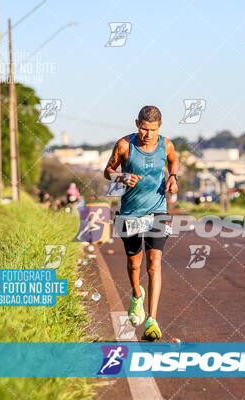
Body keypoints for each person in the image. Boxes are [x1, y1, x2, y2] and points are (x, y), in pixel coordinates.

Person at [104, 105, 179, 341]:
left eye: (153, 130)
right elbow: (108, 171)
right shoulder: (125, 145)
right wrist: (122, 177)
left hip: (158, 210)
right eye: (145, 129)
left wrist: (173, 178)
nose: (148, 135)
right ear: (137, 123)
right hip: (130, 213)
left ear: (160, 127)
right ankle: (137, 295)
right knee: (134, 264)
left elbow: (173, 161)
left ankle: (152, 320)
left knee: (154, 263)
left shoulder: (166, 144)